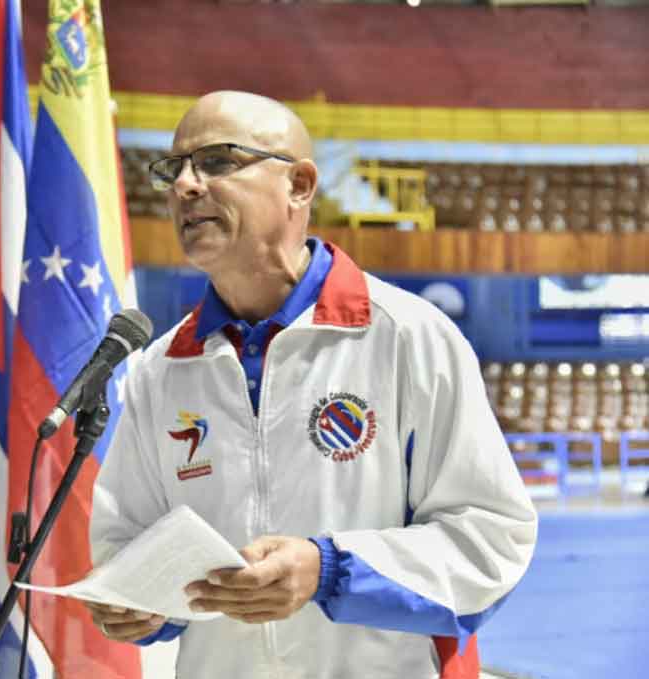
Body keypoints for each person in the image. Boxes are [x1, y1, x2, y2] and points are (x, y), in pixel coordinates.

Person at [85, 91, 538, 679]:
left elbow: (491, 538)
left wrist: (328, 569)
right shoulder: (162, 368)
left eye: (217, 161)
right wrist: (135, 600)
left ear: (299, 185)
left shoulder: (407, 336)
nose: (185, 186)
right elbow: (127, 537)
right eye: (174, 169)